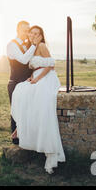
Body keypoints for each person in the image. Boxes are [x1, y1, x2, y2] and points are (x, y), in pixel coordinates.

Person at [11, 25, 66, 174]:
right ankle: (20, 127)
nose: (35, 35)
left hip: (47, 78)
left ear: (41, 36)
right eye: (32, 33)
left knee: (40, 101)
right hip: (37, 76)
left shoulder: (41, 46)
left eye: (37, 33)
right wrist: (32, 77)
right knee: (20, 91)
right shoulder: (31, 48)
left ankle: (49, 152)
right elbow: (35, 66)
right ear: (29, 35)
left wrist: (37, 79)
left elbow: (50, 65)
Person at [6, 21, 42, 144]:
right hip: (15, 82)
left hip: (28, 83)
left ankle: (27, 138)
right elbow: (23, 59)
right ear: (17, 30)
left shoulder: (29, 45)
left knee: (28, 110)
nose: (27, 33)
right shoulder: (12, 45)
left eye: (28, 31)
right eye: (24, 30)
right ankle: (16, 140)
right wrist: (33, 45)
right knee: (16, 111)